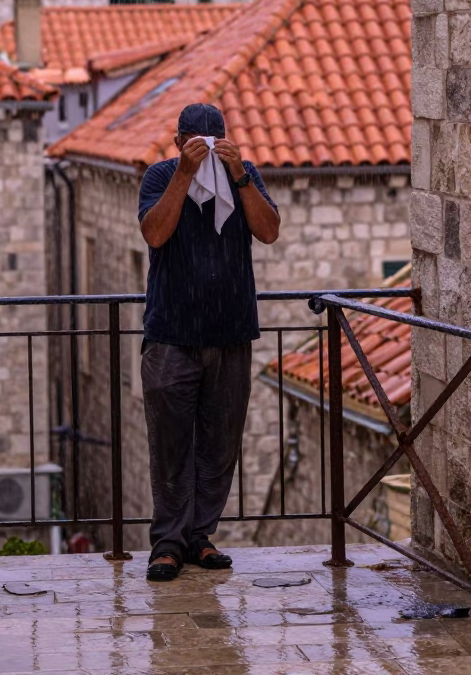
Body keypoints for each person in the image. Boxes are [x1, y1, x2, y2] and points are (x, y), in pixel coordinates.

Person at [138, 103, 280, 582]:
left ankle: (200, 535)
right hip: (171, 334)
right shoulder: (160, 175)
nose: (204, 152)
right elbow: (155, 233)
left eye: (213, 144)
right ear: (178, 142)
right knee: (170, 444)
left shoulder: (245, 175)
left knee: (220, 444)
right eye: (194, 144)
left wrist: (238, 175)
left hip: (230, 331)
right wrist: (184, 173)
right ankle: (168, 543)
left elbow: (268, 231)